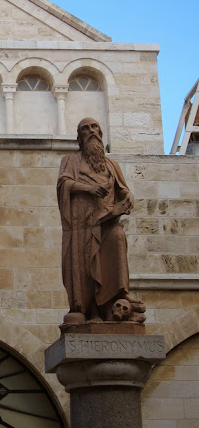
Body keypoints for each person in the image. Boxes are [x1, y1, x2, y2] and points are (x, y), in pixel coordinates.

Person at [56, 117, 145, 324]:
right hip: (82, 226)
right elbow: (64, 183)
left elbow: (122, 189)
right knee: (85, 264)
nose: (91, 131)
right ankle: (88, 309)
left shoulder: (111, 164)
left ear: (101, 132)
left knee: (118, 238)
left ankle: (119, 296)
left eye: (94, 127)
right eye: (86, 129)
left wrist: (128, 196)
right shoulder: (70, 160)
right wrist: (89, 188)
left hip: (107, 221)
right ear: (80, 137)